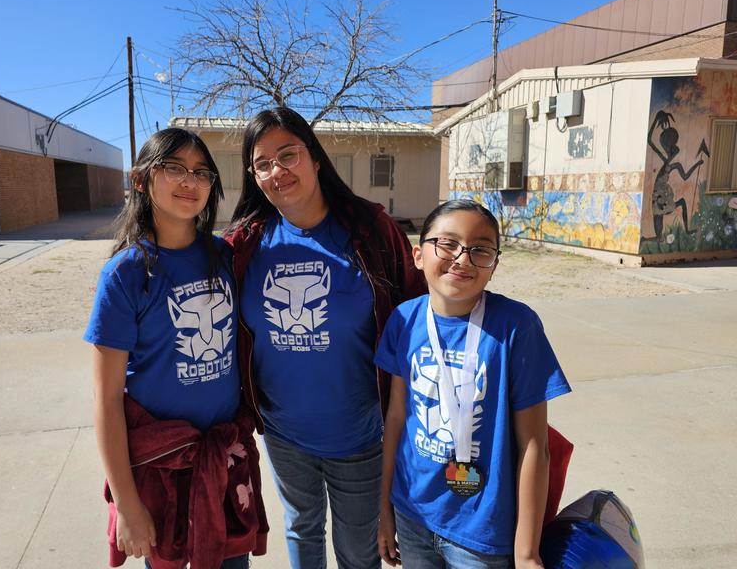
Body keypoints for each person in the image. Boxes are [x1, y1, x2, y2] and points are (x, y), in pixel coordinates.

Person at [225, 106, 425, 569]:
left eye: (288, 154)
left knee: (358, 553)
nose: (277, 171)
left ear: (315, 158)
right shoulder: (245, 246)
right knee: (301, 530)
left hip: (359, 436)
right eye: (262, 164)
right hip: (283, 433)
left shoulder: (370, 230)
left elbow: (417, 315)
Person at [84, 128, 267, 569]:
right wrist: (127, 504)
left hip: (224, 462)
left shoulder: (224, 257)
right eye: (174, 168)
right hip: (160, 471)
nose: (190, 181)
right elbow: (107, 400)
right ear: (141, 180)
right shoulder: (125, 274)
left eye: (202, 173)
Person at [375, 199, 572, 569]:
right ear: (419, 255)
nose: (462, 258)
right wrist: (384, 508)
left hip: (483, 532)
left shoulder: (516, 327)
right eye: (447, 244)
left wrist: (527, 552)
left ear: (494, 265)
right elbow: (397, 418)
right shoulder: (404, 320)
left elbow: (535, 445)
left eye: (479, 249)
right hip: (413, 513)